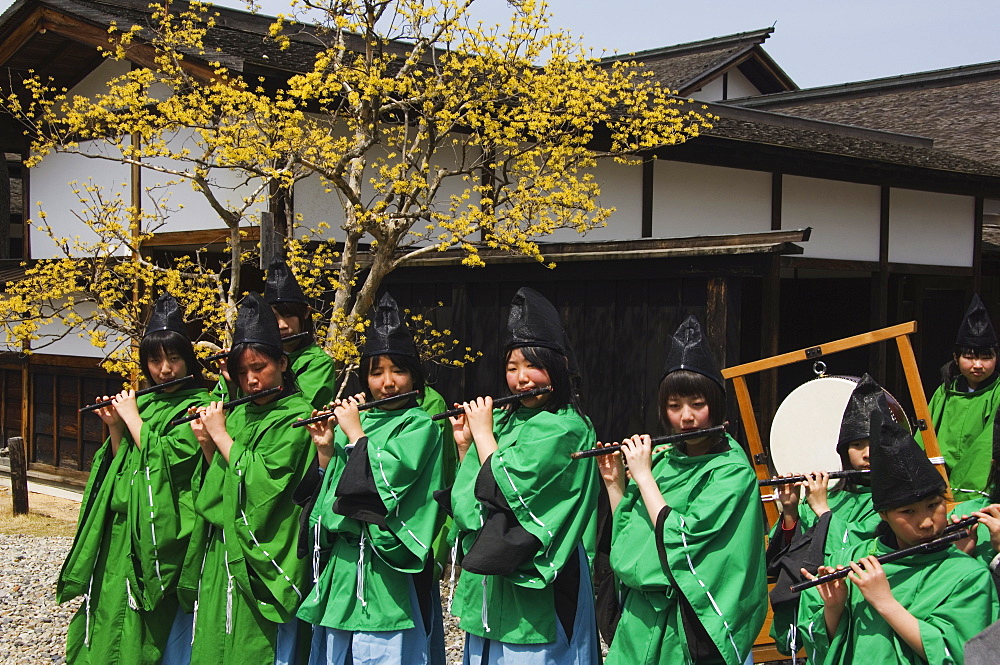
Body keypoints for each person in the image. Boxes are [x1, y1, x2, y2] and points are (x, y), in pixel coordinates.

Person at [598, 315, 766, 665]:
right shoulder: (663, 461)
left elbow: (682, 540)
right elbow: (630, 536)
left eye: (697, 405)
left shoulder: (731, 473)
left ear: (716, 406)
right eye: (674, 406)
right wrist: (616, 484)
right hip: (638, 620)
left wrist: (643, 478)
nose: (685, 417)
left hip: (686, 623)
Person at [447, 287, 600, 665]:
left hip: (542, 574)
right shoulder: (506, 418)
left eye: (533, 365)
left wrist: (483, 435)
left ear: (559, 366)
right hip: (493, 572)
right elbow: (469, 499)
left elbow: (502, 488)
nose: (521, 378)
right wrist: (466, 443)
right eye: (512, 368)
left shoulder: (565, 426)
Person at [59, 293, 211, 664]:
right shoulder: (143, 403)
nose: (164, 369)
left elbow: (171, 459)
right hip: (122, 529)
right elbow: (121, 463)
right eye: (155, 360)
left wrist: (132, 419)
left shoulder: (199, 404)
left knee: (153, 619)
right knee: (111, 609)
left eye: (174, 358)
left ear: (187, 360)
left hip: (160, 528)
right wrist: (115, 427)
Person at [296, 292, 445, 665]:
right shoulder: (358, 422)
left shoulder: (420, 423)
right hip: (345, 568)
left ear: (414, 375)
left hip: (387, 567)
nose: (388, 383)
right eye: (376, 372)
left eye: (398, 371)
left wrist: (356, 436)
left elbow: (382, 484)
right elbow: (331, 497)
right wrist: (327, 449)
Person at [798, 410, 998, 665]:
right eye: (908, 512)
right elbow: (821, 646)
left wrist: (885, 602)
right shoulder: (852, 558)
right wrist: (834, 608)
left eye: (934, 505)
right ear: (883, 515)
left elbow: (960, 654)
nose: (926, 521)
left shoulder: (968, 575)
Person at [181, 292, 314, 664]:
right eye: (242, 373)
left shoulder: (296, 416)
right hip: (224, 548)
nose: (252, 380)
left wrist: (221, 437)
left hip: (264, 548)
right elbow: (217, 489)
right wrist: (208, 444)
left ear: (283, 363)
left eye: (260, 368)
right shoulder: (237, 415)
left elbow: (267, 484)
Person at [766, 374, 886, 655]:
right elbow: (788, 558)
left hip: (864, 611)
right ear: (844, 453)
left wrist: (823, 511)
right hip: (816, 612)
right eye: (857, 446)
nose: (867, 454)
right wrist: (792, 511)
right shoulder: (828, 495)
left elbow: (860, 548)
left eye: (874, 444)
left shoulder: (893, 504)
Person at [917, 294, 1000, 497]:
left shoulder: (997, 393)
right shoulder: (944, 392)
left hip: (982, 486)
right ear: (956, 358)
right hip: (938, 480)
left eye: (986, 358)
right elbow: (924, 433)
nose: (978, 365)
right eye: (970, 357)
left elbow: (986, 446)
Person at [264, 259, 338, 410]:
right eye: (273, 318)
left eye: (289, 315)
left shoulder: (318, 363)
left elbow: (301, 413)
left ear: (305, 313)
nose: (282, 325)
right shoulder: (254, 361)